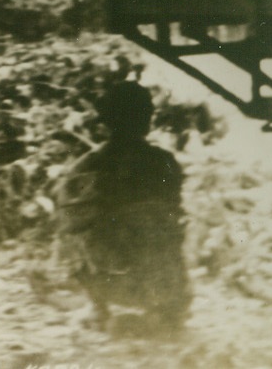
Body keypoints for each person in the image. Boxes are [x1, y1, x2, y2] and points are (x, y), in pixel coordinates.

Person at [55, 80, 191, 333]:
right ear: (145, 118)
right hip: (151, 270)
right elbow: (174, 211)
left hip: (104, 268)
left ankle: (101, 307)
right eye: (145, 112)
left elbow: (70, 219)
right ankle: (161, 310)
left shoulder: (88, 164)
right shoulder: (162, 161)